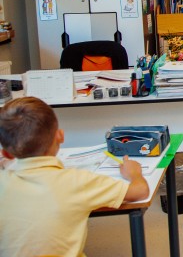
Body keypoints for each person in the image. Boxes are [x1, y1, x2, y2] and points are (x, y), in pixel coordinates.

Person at [0, 97, 149, 256]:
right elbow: (140, 191)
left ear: (6, 153)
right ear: (60, 136)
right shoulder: (77, 181)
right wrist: (134, 173)